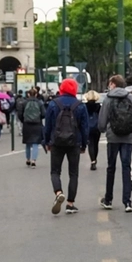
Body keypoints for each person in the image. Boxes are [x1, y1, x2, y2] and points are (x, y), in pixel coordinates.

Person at [43, 78, 89, 215]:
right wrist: (84, 144)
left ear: (61, 88)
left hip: (56, 142)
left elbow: (48, 126)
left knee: (55, 171)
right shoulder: (80, 105)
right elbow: (84, 128)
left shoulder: (53, 104)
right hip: (74, 142)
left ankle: (58, 192)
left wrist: (47, 142)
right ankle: (70, 203)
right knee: (73, 173)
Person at [98, 75, 132, 212]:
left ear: (113, 84)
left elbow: (102, 120)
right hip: (128, 137)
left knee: (111, 167)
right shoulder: (131, 97)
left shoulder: (108, 98)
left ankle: (108, 199)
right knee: (126, 167)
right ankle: (127, 202)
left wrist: (103, 129)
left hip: (113, 136)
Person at [18, 88, 45, 169]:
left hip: (27, 125)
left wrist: (23, 120)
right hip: (37, 124)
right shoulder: (40, 103)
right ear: (36, 94)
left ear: (28, 94)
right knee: (35, 143)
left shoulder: (24, 102)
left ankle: (28, 159)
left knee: (28, 143)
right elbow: (44, 114)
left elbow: (20, 113)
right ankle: (34, 160)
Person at [85, 90, 102, 171]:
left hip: (88, 127)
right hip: (97, 127)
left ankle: (92, 160)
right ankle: (95, 158)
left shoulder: (85, 106)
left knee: (90, 144)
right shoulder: (99, 106)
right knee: (96, 144)